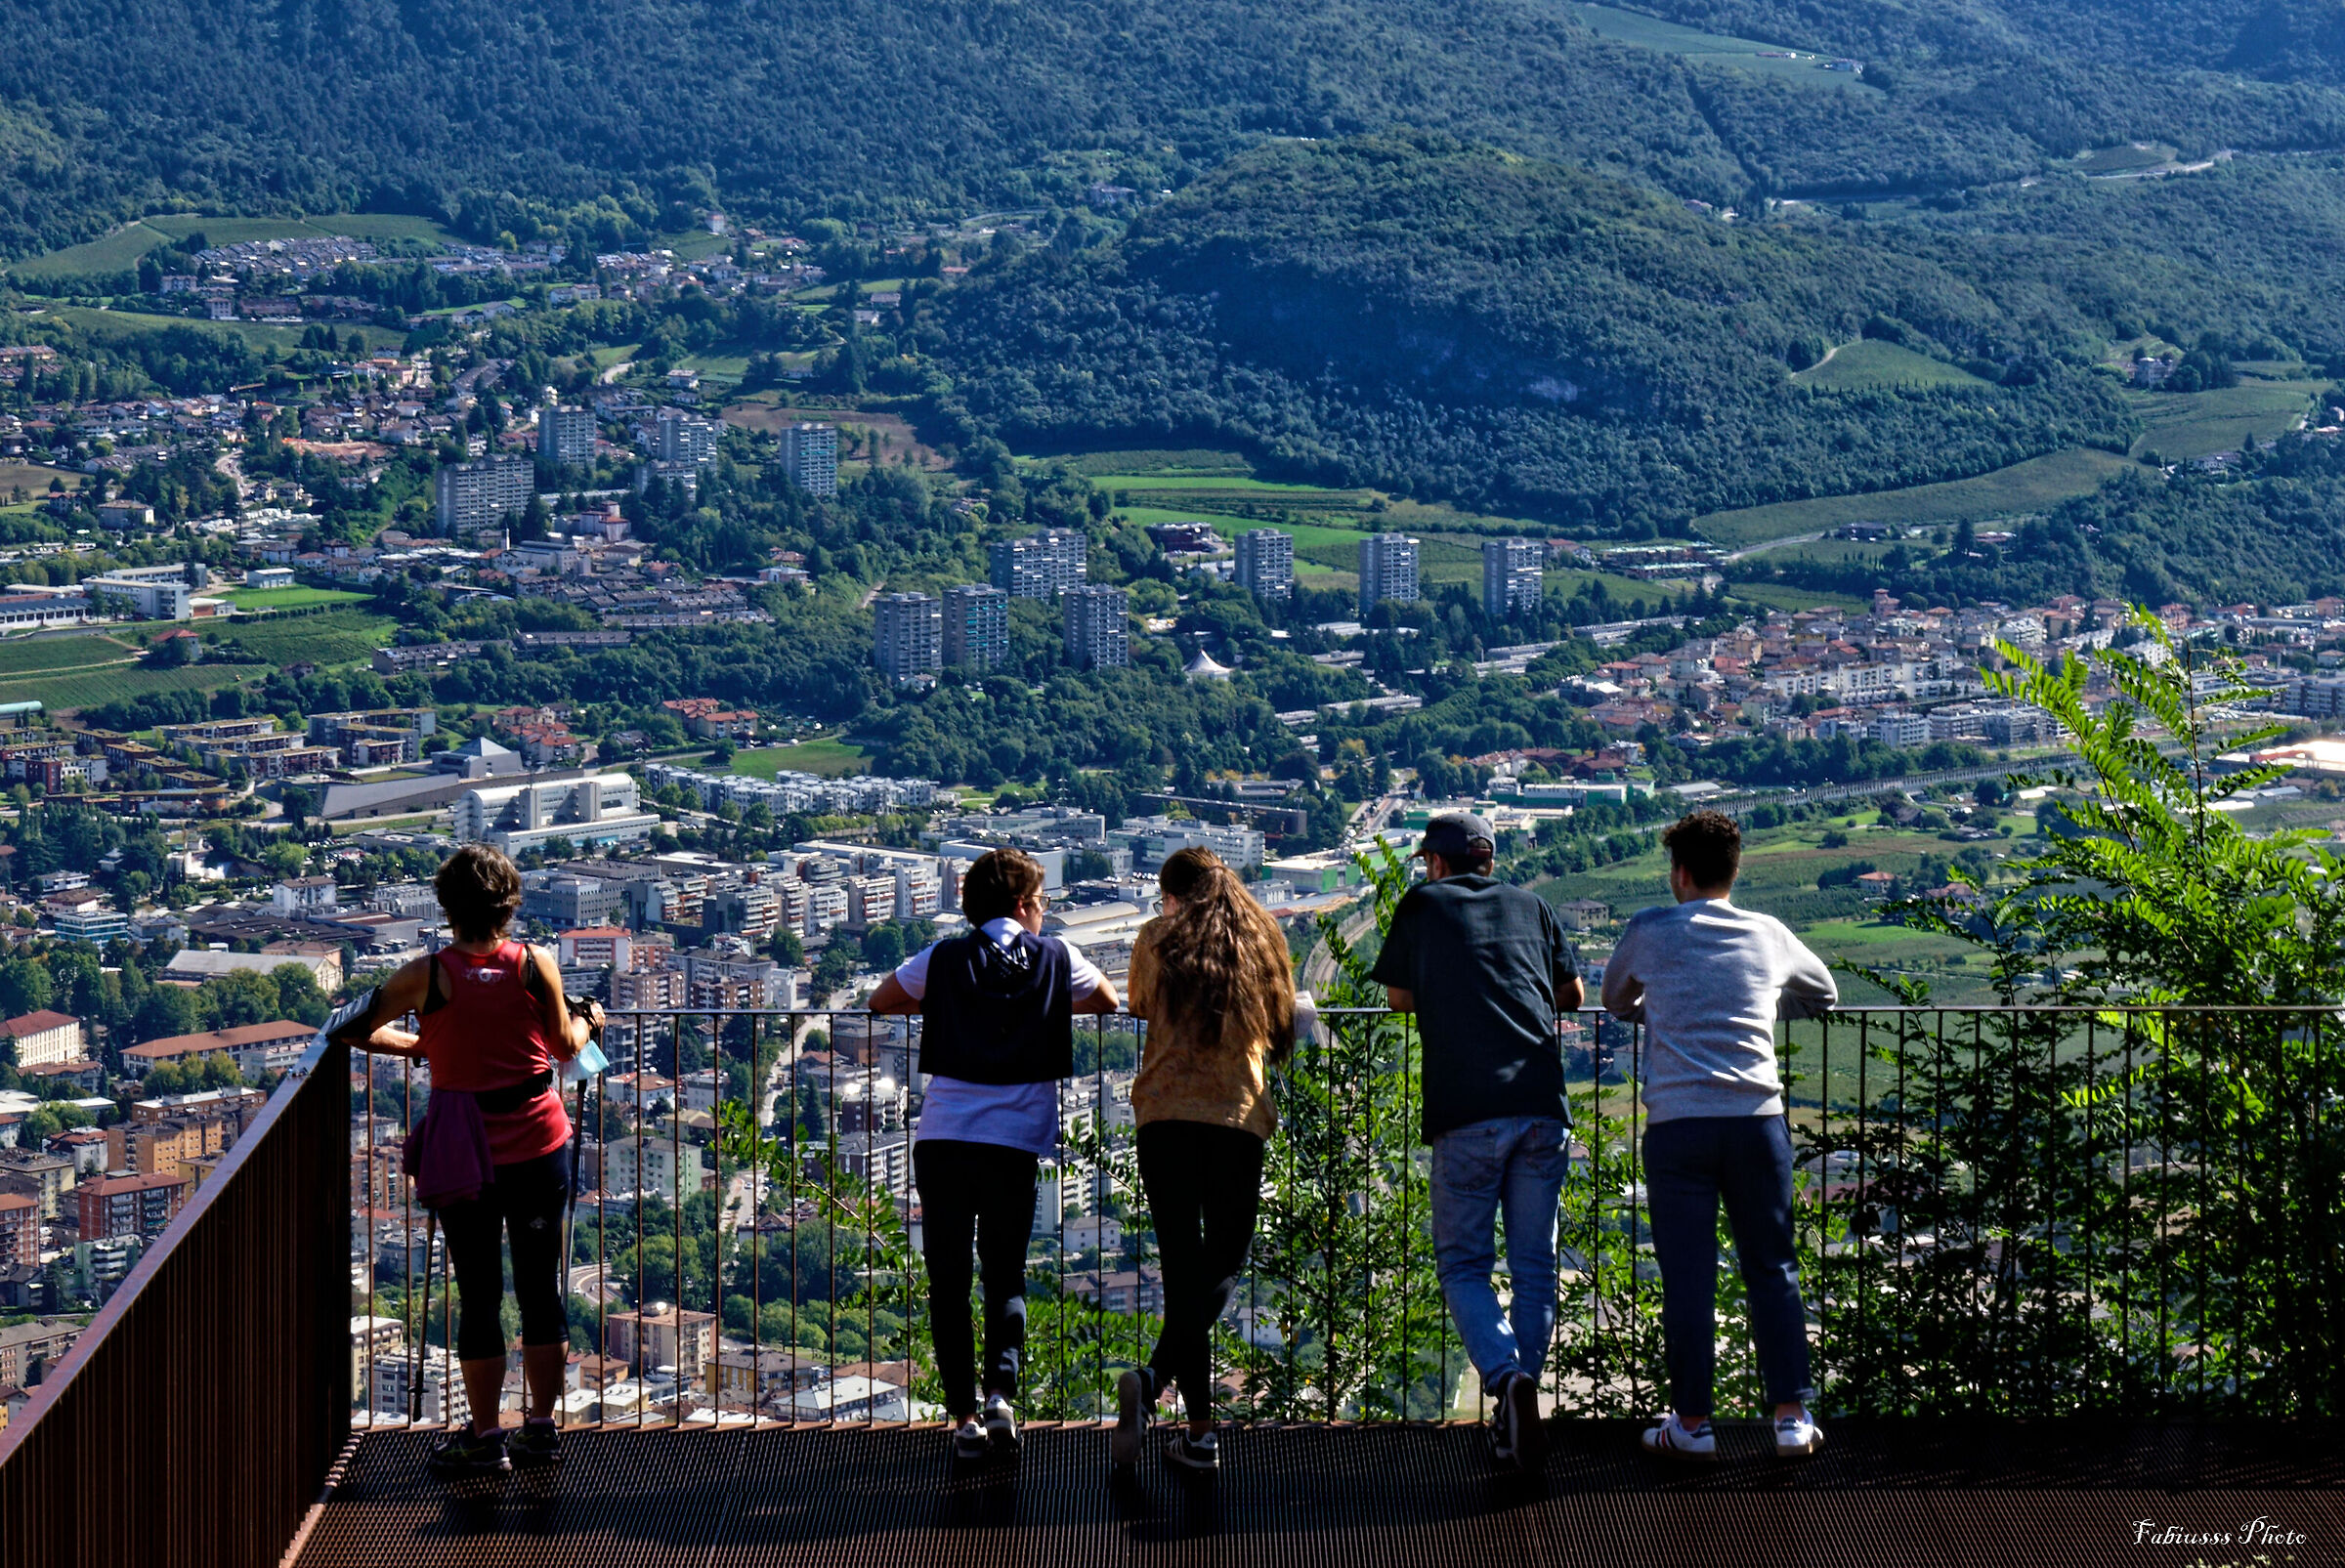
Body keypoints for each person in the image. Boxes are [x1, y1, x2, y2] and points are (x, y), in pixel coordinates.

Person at [330, 844, 606, 1476]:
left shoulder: (424, 975)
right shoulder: (534, 965)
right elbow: (566, 1045)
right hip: (539, 1144)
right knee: (540, 1288)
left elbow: (353, 1028)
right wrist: (591, 1018)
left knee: (478, 1292)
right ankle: (540, 1428)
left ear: (447, 905)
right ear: (509, 903)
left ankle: (484, 1437)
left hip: (465, 1153)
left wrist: (426, 1046)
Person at [1600, 809, 1836, 1462]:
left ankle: (1693, 1422)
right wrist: (1763, 1007)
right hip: (1756, 1119)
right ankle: (1790, 1415)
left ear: (1679, 873)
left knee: (1688, 1276)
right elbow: (1824, 992)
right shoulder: (1769, 932)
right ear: (1736, 869)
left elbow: (1616, 999)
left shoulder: (1648, 929)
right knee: (1773, 1266)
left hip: (1677, 1126)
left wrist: (1663, 1008)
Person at [869, 847, 1119, 1460]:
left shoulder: (946, 957)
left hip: (945, 1139)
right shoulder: (1058, 957)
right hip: (1015, 1143)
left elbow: (882, 1000)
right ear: (1022, 904)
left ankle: (963, 1418)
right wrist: (1046, 1003)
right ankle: (1002, 1395)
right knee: (1004, 1275)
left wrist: (949, 1004)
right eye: (1041, 902)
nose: (1044, 913)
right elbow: (1109, 1000)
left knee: (947, 1281)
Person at [1370, 811, 1582, 1471]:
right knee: (1534, 1266)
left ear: (1436, 861)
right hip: (1543, 1104)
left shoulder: (1424, 903)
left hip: (1466, 1106)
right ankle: (1514, 1410)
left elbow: (1401, 998)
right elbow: (1572, 993)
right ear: (1488, 859)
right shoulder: (1534, 904)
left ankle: (1504, 1379)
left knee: (1463, 1263)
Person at [1113, 847, 1295, 1474]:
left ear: (1170, 894)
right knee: (1222, 1263)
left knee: (1180, 1269)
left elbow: (1138, 1004)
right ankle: (1167, 1397)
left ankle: (1197, 1431)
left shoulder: (1154, 939)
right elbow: (1281, 1019)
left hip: (1162, 1115)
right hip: (1234, 1117)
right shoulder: (1261, 938)